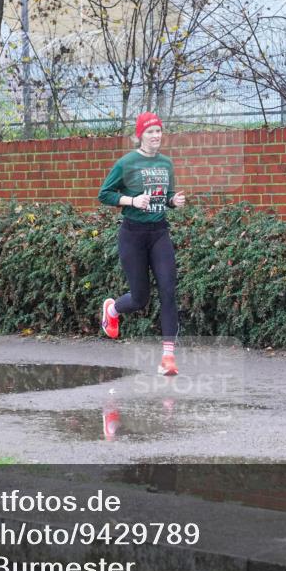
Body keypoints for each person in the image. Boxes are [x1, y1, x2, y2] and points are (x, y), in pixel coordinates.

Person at [97, 112, 186, 375]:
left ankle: (168, 358)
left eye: (159, 131)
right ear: (140, 135)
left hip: (159, 232)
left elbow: (165, 195)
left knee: (169, 290)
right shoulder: (127, 163)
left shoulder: (166, 163)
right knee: (140, 298)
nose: (156, 136)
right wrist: (132, 201)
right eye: (150, 132)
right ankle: (112, 309)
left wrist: (172, 202)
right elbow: (105, 194)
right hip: (132, 234)